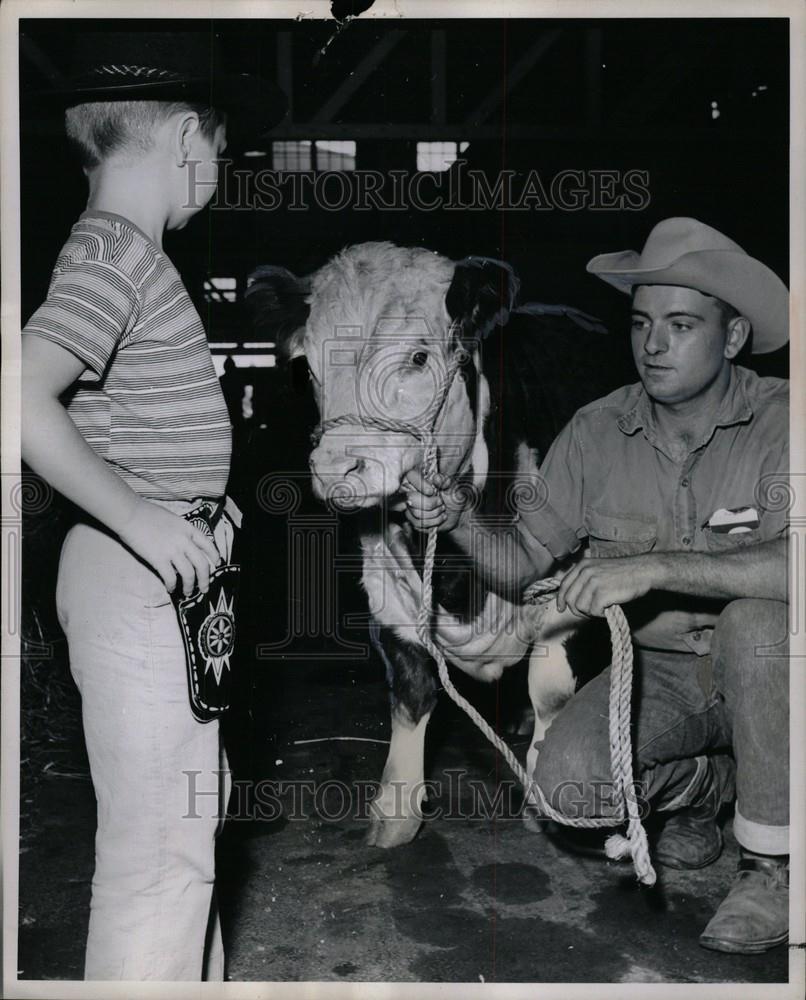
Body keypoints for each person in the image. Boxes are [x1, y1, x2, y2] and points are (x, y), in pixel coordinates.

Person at [404, 218, 789, 954]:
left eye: (681, 325)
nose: (652, 345)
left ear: (734, 337)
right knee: (570, 791)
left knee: (758, 623)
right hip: (670, 675)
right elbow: (521, 562)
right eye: (642, 323)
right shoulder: (597, 430)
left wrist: (652, 567)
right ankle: (708, 792)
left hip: (785, 673)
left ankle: (773, 866)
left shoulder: (785, 419)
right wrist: (455, 514)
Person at [20, 30, 285, 980]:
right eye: (223, 148)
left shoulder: (125, 254)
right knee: (157, 852)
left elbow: (126, 426)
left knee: (188, 817)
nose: (222, 169)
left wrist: (203, 512)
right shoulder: (115, 255)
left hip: (160, 578)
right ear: (186, 139)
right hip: (130, 578)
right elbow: (18, 392)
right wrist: (138, 515)